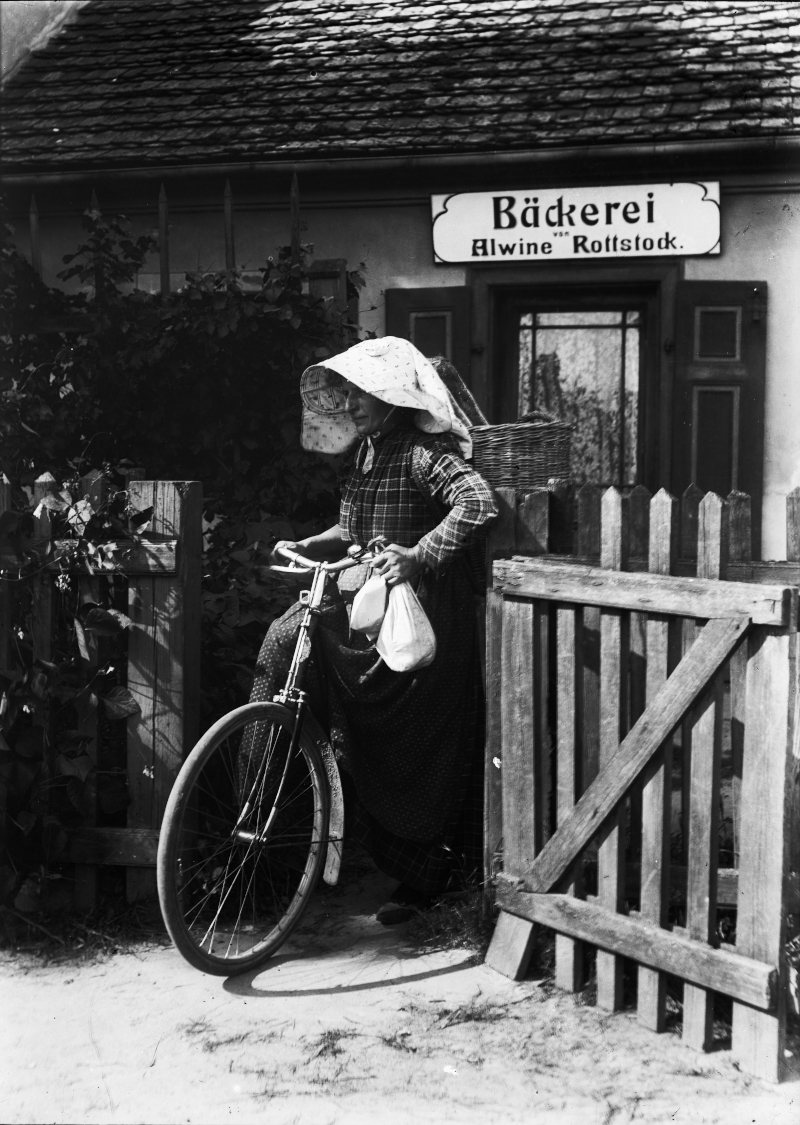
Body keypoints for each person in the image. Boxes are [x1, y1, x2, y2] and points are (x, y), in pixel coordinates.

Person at [249, 336, 497, 923]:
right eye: (351, 392)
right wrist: (315, 542)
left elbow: (478, 502)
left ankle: (426, 879)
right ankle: (265, 815)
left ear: (395, 399)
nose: (353, 402)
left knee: (415, 743)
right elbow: (352, 524)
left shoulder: (421, 452)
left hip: (425, 617)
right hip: (375, 602)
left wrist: (418, 555)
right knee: (285, 640)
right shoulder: (365, 455)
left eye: (366, 393)